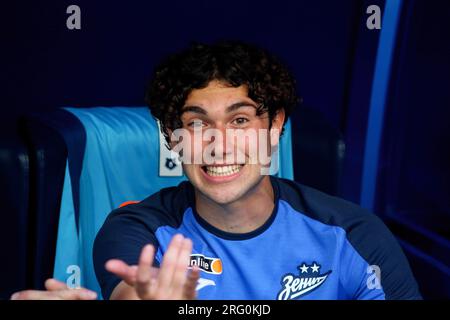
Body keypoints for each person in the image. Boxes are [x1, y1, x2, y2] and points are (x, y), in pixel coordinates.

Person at [11, 41, 421, 300]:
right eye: (196, 123)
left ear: (275, 126)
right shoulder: (137, 228)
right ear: (174, 136)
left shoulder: (351, 234)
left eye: (240, 121)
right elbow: (134, 292)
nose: (217, 143)